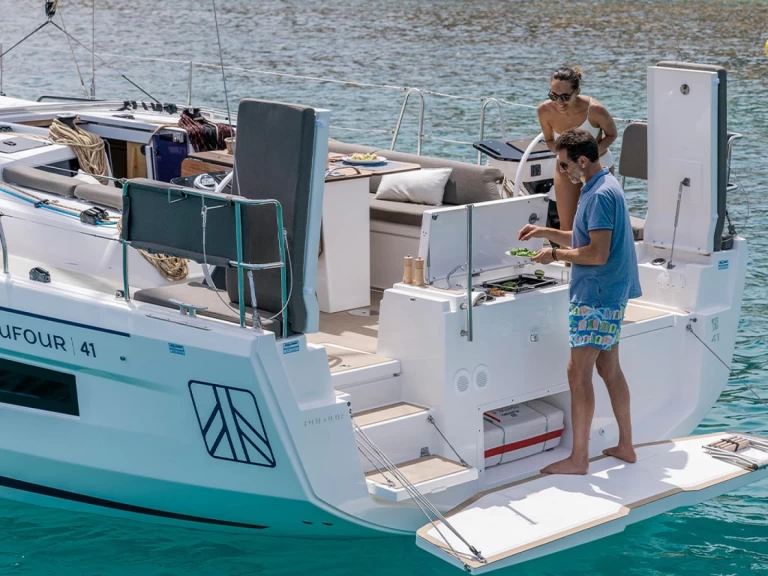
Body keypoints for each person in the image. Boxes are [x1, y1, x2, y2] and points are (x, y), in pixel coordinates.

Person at [518, 128, 641, 475]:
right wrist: (545, 232)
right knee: (608, 368)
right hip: (610, 292)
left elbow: (596, 254)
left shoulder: (599, 195)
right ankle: (626, 446)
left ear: (582, 160)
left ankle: (579, 459)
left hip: (596, 295)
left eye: (564, 164)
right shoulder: (604, 185)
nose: (562, 171)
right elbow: (585, 236)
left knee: (578, 371)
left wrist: (555, 255)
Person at [537, 66, 618, 231]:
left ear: (577, 92)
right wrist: (567, 160)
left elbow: (612, 134)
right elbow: (550, 140)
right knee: (567, 226)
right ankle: (570, 250)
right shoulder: (544, 110)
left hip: (597, 165)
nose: (559, 102)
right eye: (554, 96)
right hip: (566, 167)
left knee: (599, 224)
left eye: (565, 96)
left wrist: (589, 156)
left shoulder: (595, 110)